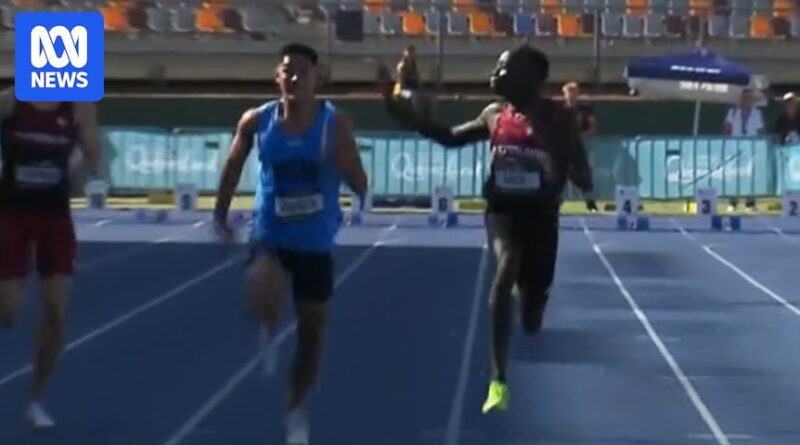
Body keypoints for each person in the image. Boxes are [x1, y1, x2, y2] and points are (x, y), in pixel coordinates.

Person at [380, 44, 595, 414]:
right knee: (506, 264)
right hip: (503, 211)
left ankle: (530, 303)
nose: (494, 74)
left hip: (542, 216)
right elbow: (449, 136)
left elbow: (584, 175)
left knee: (531, 319)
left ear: (532, 78)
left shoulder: (559, 118)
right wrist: (403, 115)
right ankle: (498, 380)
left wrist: (564, 164)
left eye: (504, 68)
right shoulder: (495, 114)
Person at [213, 43, 368, 445]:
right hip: (270, 232)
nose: (294, 77)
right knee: (264, 291)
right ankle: (267, 324)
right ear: (276, 77)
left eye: (302, 71)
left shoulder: (334, 125)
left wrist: (360, 199)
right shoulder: (257, 121)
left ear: (318, 78)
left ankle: (296, 407)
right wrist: (220, 215)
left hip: (315, 241)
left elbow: (357, 174)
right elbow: (232, 167)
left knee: (312, 336)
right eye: (287, 71)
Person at [0, 88, 101, 428]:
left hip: (54, 219)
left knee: (57, 315)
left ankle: (35, 400)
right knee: (9, 313)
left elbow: (91, 156)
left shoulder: (80, 108)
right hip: (11, 216)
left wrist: (82, 170)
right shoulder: (12, 101)